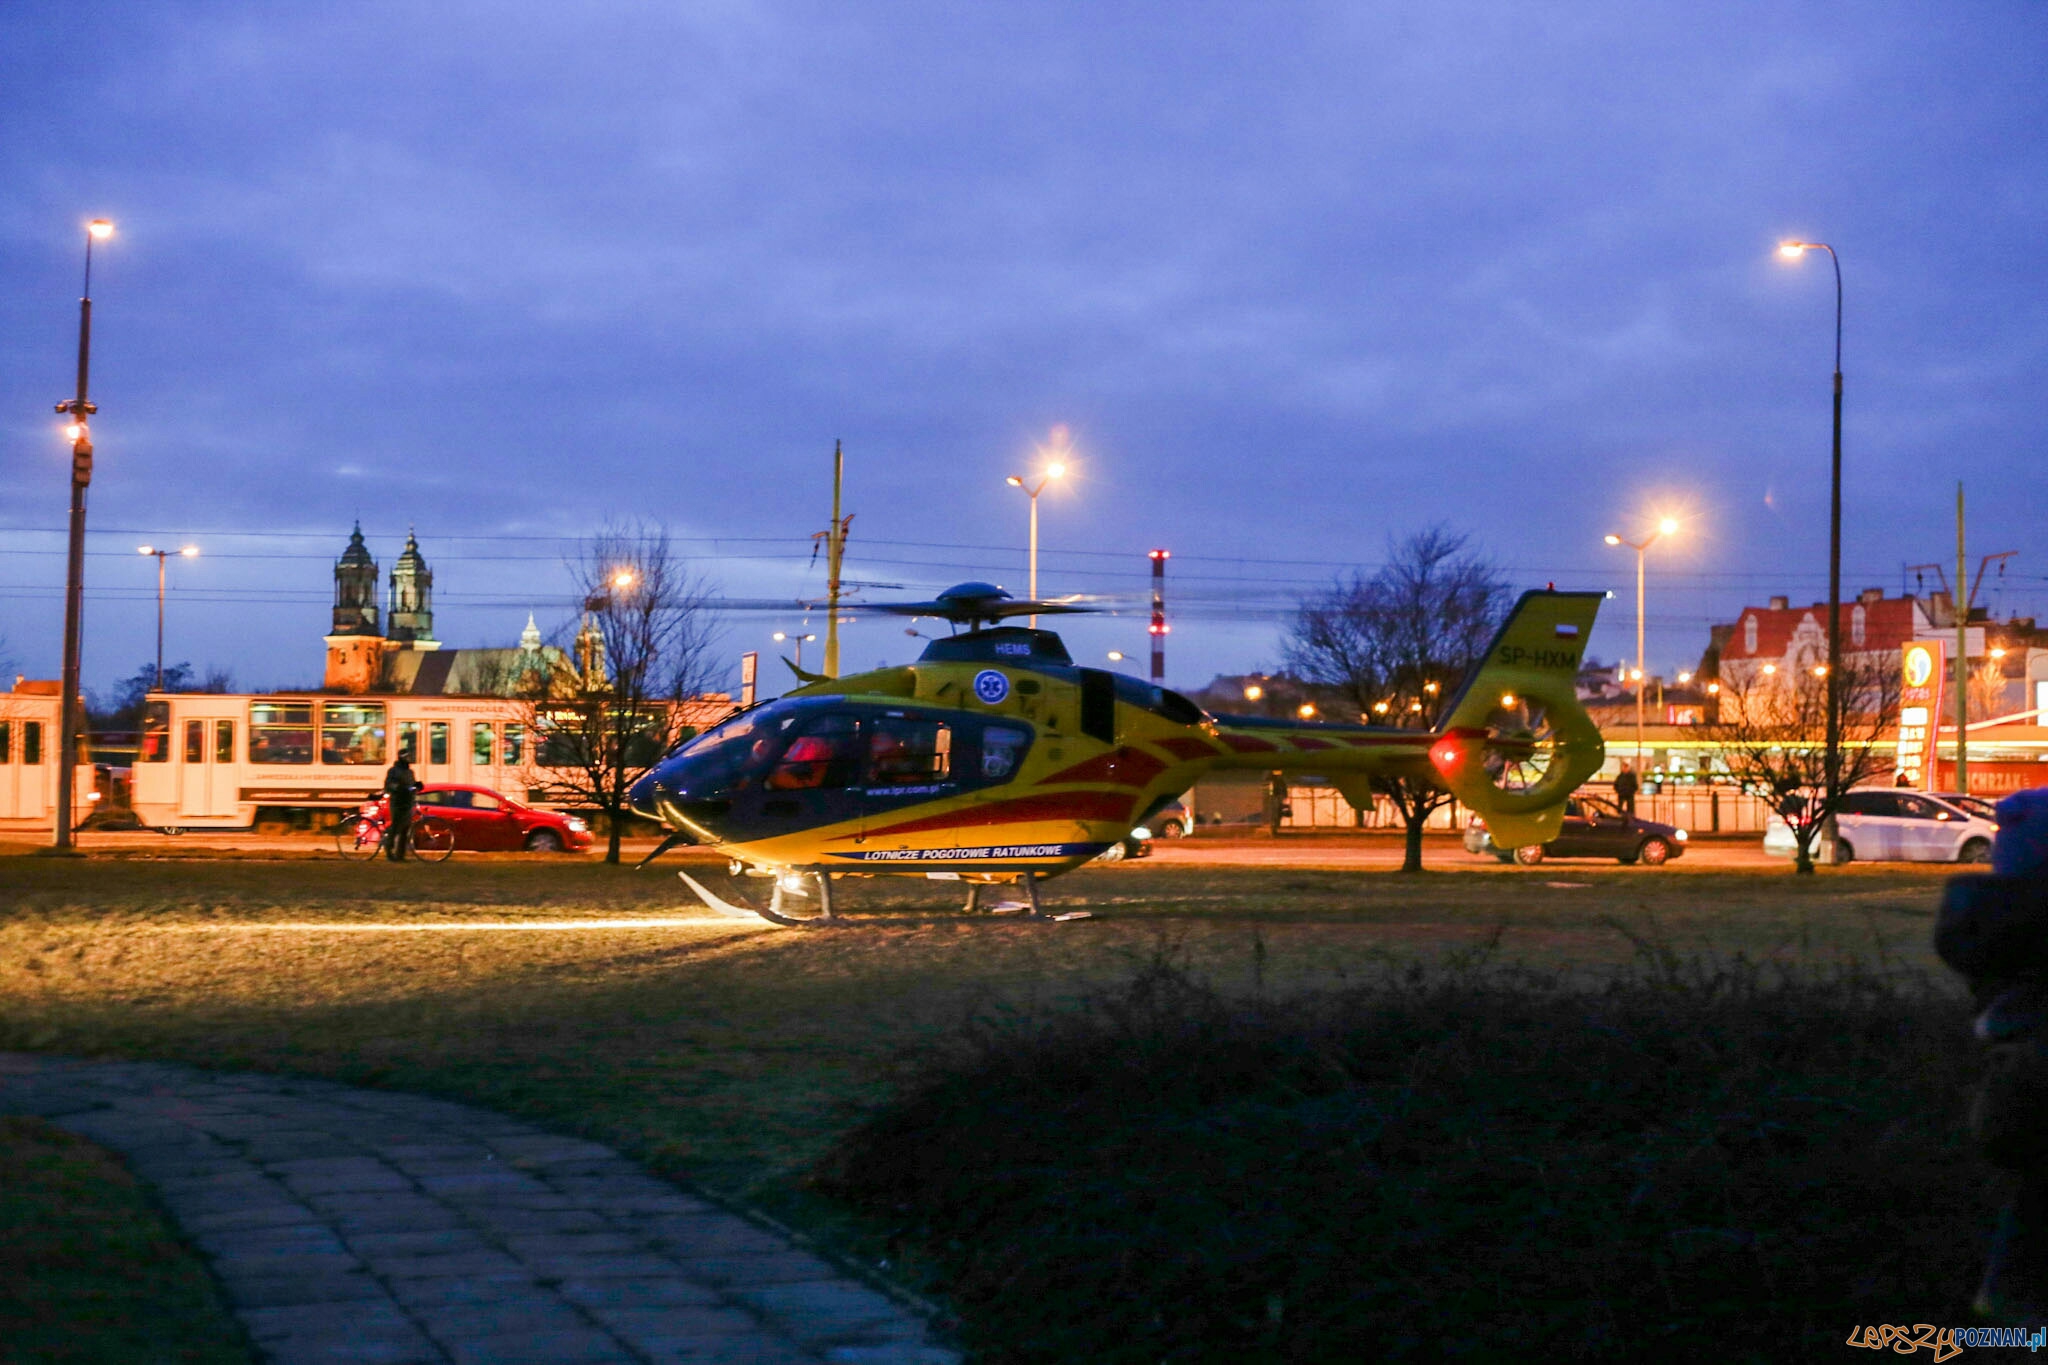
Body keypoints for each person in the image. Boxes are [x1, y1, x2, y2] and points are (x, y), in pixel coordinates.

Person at [382, 754, 421, 861]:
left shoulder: (409, 772)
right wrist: (399, 788)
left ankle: (400, 855)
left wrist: (417, 786)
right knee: (396, 827)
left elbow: (411, 785)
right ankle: (389, 850)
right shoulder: (394, 771)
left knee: (405, 829)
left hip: (407, 802)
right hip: (397, 801)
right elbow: (388, 785)